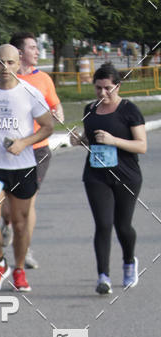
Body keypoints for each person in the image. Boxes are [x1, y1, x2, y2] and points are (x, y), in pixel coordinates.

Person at [0, 44, 53, 293]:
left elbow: (48, 127)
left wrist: (24, 143)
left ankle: (18, 269)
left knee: (19, 224)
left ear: (18, 64)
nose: (4, 67)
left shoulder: (30, 92)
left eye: (10, 62)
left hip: (23, 167)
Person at [0, 32, 65, 268]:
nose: (37, 51)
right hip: (7, 151)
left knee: (28, 203)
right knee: (9, 208)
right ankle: (8, 223)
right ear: (20, 53)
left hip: (37, 151)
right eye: (33, 47)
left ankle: (25, 252)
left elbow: (55, 104)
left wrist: (58, 114)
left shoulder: (43, 79)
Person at [70, 63, 146, 293]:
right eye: (98, 88)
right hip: (96, 175)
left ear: (118, 86)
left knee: (123, 226)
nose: (102, 93)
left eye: (107, 88)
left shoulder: (129, 110)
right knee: (103, 224)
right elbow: (89, 140)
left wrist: (114, 140)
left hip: (126, 175)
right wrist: (78, 140)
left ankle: (129, 262)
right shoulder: (90, 109)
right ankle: (103, 277)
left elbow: (141, 146)